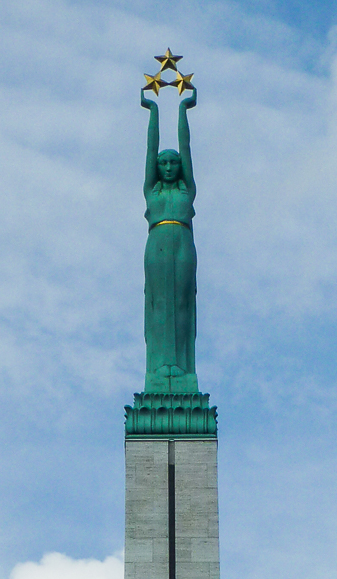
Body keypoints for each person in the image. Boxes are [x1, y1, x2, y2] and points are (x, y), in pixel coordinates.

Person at [139, 84, 198, 391]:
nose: (169, 166)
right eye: (163, 163)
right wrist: (153, 111)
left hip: (183, 245)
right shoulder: (152, 191)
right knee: (160, 302)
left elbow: (186, 147)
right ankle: (160, 366)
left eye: (173, 162)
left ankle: (183, 366)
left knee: (183, 302)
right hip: (158, 244)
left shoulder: (188, 190)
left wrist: (183, 110)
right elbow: (150, 149)